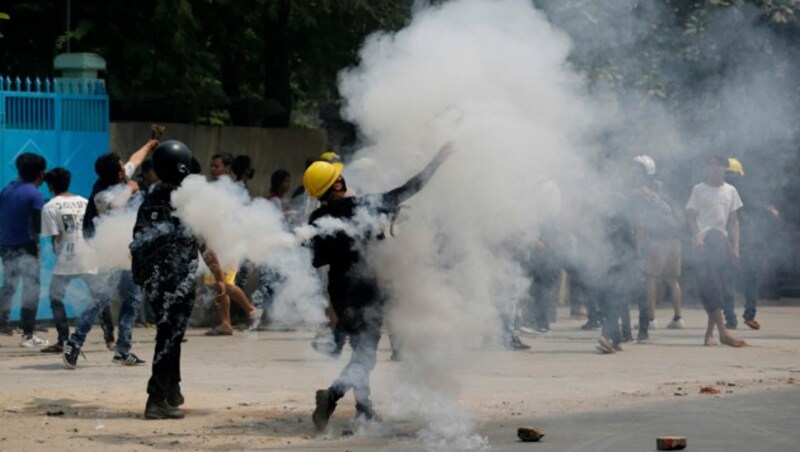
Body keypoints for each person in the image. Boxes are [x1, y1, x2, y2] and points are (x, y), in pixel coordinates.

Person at [306, 144, 454, 431]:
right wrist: (438, 160)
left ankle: (363, 408)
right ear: (337, 183)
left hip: (339, 291)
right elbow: (411, 187)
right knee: (366, 355)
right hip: (366, 290)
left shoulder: (317, 219)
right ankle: (332, 396)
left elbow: (317, 261)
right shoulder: (365, 206)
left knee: (360, 349)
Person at [130, 140, 227, 419]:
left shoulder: (150, 199)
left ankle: (172, 389)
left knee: (171, 334)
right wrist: (219, 276)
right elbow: (203, 241)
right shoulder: (185, 201)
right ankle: (156, 399)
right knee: (169, 339)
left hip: (157, 283)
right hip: (178, 282)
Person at [64, 139, 158, 368]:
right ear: (116, 175)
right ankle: (74, 343)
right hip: (109, 253)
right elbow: (116, 205)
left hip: (129, 253)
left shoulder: (120, 176)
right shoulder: (101, 195)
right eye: (121, 168)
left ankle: (123, 350)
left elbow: (134, 160)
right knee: (101, 299)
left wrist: (149, 145)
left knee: (132, 301)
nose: (125, 169)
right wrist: (131, 188)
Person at [39, 168, 107, 353]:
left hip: (67, 258)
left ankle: (62, 339)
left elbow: (56, 239)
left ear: (50, 186)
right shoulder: (85, 202)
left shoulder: (50, 206)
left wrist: (57, 254)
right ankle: (110, 338)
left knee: (56, 297)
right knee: (99, 296)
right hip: (89, 255)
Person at [686, 155, 746, 347]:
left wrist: (736, 246)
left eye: (718, 165)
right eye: (711, 164)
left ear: (724, 168)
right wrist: (696, 236)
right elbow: (691, 218)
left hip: (721, 241)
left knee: (717, 286)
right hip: (704, 241)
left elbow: (735, 221)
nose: (714, 168)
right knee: (710, 285)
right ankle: (723, 332)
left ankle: (710, 334)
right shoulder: (699, 189)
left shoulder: (730, 190)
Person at [722, 158, 779, 331]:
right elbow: (764, 212)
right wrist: (769, 211)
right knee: (749, 280)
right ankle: (748, 315)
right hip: (744, 243)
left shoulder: (721, 191)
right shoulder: (744, 192)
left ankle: (731, 319)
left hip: (728, 241)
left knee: (728, 282)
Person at [0, 152, 48, 346]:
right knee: (31, 289)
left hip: (5, 245)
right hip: (26, 246)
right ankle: (28, 335)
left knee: (9, 286)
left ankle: (2, 323)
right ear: (39, 173)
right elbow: (37, 227)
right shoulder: (35, 194)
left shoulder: (7, 189)